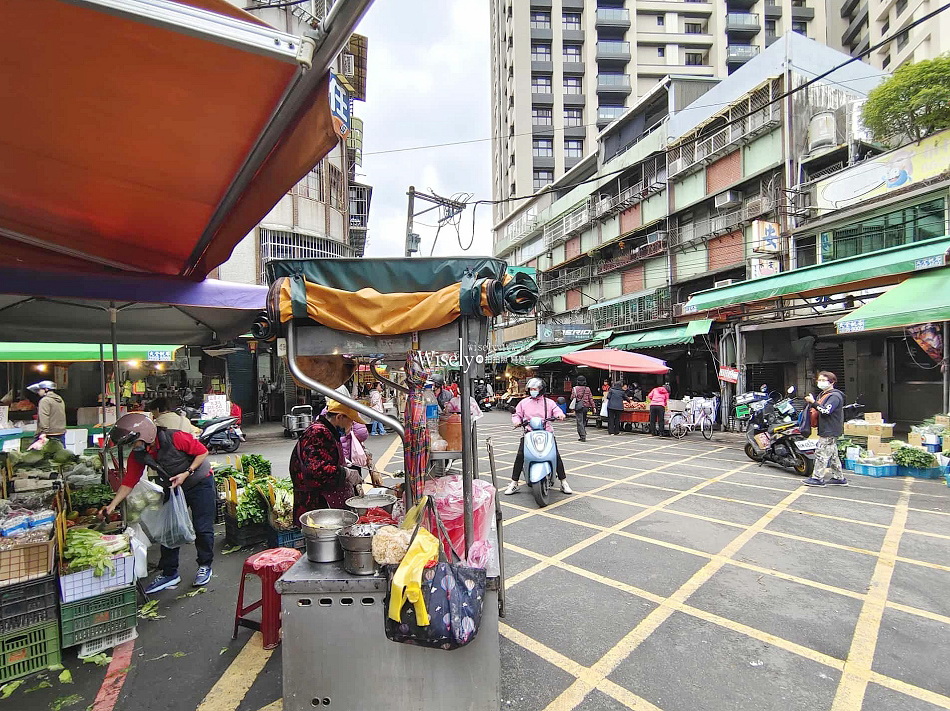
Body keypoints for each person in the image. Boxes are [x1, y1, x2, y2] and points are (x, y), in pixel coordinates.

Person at [99, 413, 214, 592]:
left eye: (134, 442)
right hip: (173, 487)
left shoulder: (176, 437)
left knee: (202, 527)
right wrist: (113, 504)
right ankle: (170, 573)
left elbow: (202, 452)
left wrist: (186, 473)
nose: (133, 447)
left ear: (147, 435)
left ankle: (205, 565)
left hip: (200, 482)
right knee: (169, 529)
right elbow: (129, 481)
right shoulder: (139, 454)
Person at [289, 400, 367, 523]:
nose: (352, 425)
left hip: (321, 502)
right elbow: (316, 469)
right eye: (351, 421)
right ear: (339, 417)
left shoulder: (327, 430)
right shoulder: (318, 432)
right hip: (316, 504)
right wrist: (346, 473)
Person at [504, 377, 572, 495]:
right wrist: (516, 421)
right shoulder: (524, 402)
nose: (532, 391)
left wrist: (560, 415)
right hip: (529, 433)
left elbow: (556, 410)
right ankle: (514, 483)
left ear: (541, 389)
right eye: (531, 389)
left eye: (535, 389)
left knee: (555, 455)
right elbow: (517, 414)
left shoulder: (549, 402)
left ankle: (563, 482)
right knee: (520, 455)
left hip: (547, 433)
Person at [802, 371, 848, 487]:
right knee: (833, 455)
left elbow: (826, 411)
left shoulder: (834, 396)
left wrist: (813, 402)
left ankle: (817, 478)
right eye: (819, 380)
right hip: (827, 428)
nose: (820, 382)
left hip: (830, 429)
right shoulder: (824, 394)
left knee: (821, 453)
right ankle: (839, 478)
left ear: (832, 382)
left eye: (824, 380)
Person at [570, 376, 595, 442]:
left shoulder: (575, 388)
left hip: (579, 407)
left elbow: (572, 397)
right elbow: (590, 398)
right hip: (586, 407)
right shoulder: (587, 389)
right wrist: (593, 407)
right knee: (583, 421)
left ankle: (583, 436)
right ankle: (583, 432)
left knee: (579, 422)